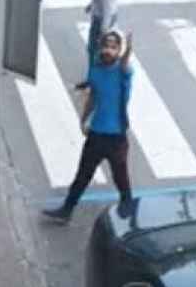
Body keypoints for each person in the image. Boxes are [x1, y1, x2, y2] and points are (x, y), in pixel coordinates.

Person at [43, 30, 135, 223]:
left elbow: (126, 63)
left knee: (121, 177)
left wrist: (129, 48)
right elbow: (93, 96)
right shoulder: (96, 70)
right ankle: (66, 210)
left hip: (117, 136)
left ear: (119, 51)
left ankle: (129, 211)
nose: (108, 50)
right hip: (96, 134)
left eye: (113, 47)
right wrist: (83, 119)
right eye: (106, 46)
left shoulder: (123, 71)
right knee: (83, 174)